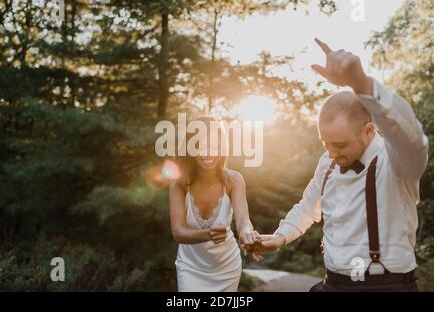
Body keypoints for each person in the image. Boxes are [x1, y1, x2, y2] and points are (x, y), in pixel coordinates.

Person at [249, 38, 429, 291]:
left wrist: (362, 83)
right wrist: (280, 237)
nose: (332, 153)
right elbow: (308, 207)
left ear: (368, 131)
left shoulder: (397, 161)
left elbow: (412, 137)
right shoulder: (328, 163)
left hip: (386, 286)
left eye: (341, 145)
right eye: (326, 143)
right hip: (333, 284)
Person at [169, 116, 260, 292]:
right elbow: (178, 232)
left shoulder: (234, 180)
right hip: (190, 267)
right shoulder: (179, 182)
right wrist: (208, 234)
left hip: (226, 267)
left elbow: (243, 220)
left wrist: (247, 234)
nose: (207, 153)